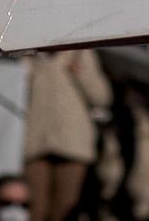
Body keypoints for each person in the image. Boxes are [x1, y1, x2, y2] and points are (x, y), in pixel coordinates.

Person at [22, 49, 111, 221]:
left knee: (65, 208)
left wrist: (82, 73)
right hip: (34, 143)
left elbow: (102, 97)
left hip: (72, 143)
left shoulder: (81, 53)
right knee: (35, 208)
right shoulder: (27, 55)